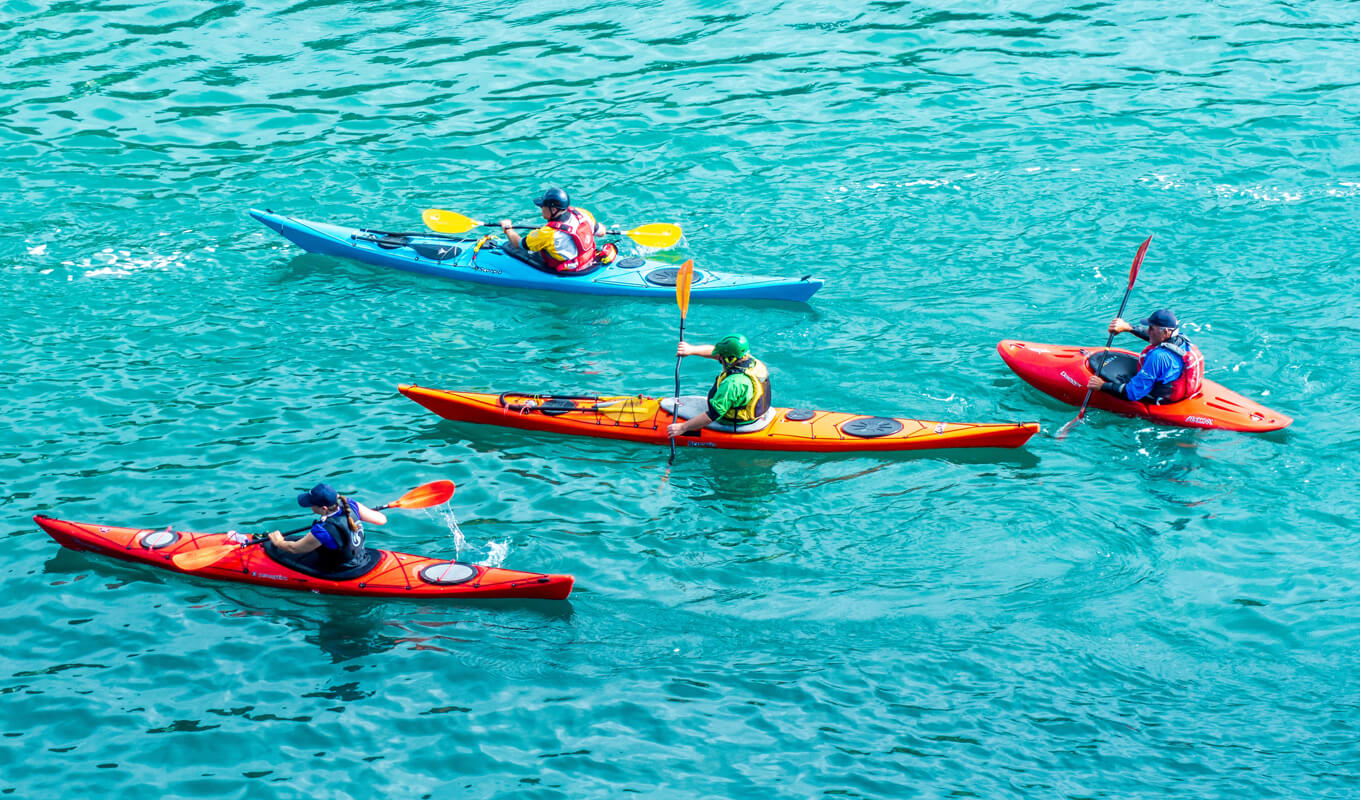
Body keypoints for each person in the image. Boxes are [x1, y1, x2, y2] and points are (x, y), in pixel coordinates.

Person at [1085, 308, 1204, 404]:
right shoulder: (1182, 341)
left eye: (1151, 328)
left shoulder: (1157, 357)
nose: (1148, 331)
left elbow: (1133, 393)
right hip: (1180, 393)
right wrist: (1128, 328)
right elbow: (1157, 339)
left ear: (1166, 332)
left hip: (1159, 399)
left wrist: (1102, 386)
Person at [267, 483, 387, 574]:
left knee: (277, 548)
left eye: (311, 504)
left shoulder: (323, 530)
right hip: (361, 557)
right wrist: (359, 513)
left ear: (324, 508)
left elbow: (294, 548)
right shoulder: (350, 504)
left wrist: (278, 542)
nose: (309, 506)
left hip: (341, 568)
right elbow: (381, 520)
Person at [666, 334, 772, 437]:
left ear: (730, 359)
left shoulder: (733, 383)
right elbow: (717, 354)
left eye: (721, 358)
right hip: (757, 415)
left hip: (735, 422)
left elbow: (712, 415)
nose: (719, 359)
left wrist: (682, 428)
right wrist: (691, 350)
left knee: (712, 414)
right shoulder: (753, 362)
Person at [499, 187, 617, 273]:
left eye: (543, 206)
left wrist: (508, 228)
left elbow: (518, 244)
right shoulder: (583, 214)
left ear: (554, 209)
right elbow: (601, 231)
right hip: (589, 261)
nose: (541, 209)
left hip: (570, 269)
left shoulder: (548, 233)